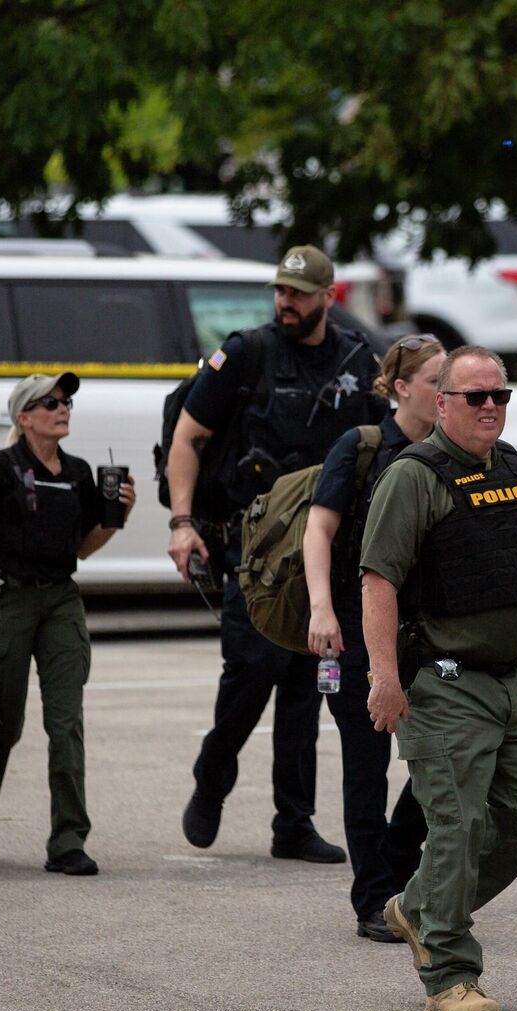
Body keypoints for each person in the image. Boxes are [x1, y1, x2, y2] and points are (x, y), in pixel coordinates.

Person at [363, 345, 517, 1011]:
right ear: (442, 404)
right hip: (443, 682)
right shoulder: (413, 476)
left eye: (500, 395)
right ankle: (449, 972)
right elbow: (377, 580)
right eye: (476, 396)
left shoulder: (516, 470)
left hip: (512, 682)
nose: (491, 406)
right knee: (458, 825)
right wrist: (384, 677)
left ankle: (420, 908)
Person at [165, 245, 387, 863]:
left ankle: (293, 822)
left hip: (328, 549)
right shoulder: (245, 353)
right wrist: (182, 522)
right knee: (251, 673)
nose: (285, 303)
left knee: (305, 683)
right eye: (280, 292)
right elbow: (189, 437)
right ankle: (213, 778)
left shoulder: (354, 357)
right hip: (257, 549)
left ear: (328, 296)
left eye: (298, 294)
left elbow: (383, 441)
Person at [0, 372, 135, 876]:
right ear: (24, 417)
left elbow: (79, 550)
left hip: (61, 600)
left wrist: (113, 520)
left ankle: (68, 839)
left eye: (66, 401)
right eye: (50, 402)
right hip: (5, 603)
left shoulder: (79, 472)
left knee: (66, 722)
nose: (62, 408)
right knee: (2, 725)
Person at [303, 333, 441, 943]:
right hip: (358, 632)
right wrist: (322, 611)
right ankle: (372, 899)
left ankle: (397, 867)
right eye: (438, 380)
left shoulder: (450, 452)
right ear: (403, 387)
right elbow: (319, 531)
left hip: (428, 636)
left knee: (440, 756)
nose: (450, 393)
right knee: (367, 765)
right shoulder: (361, 447)